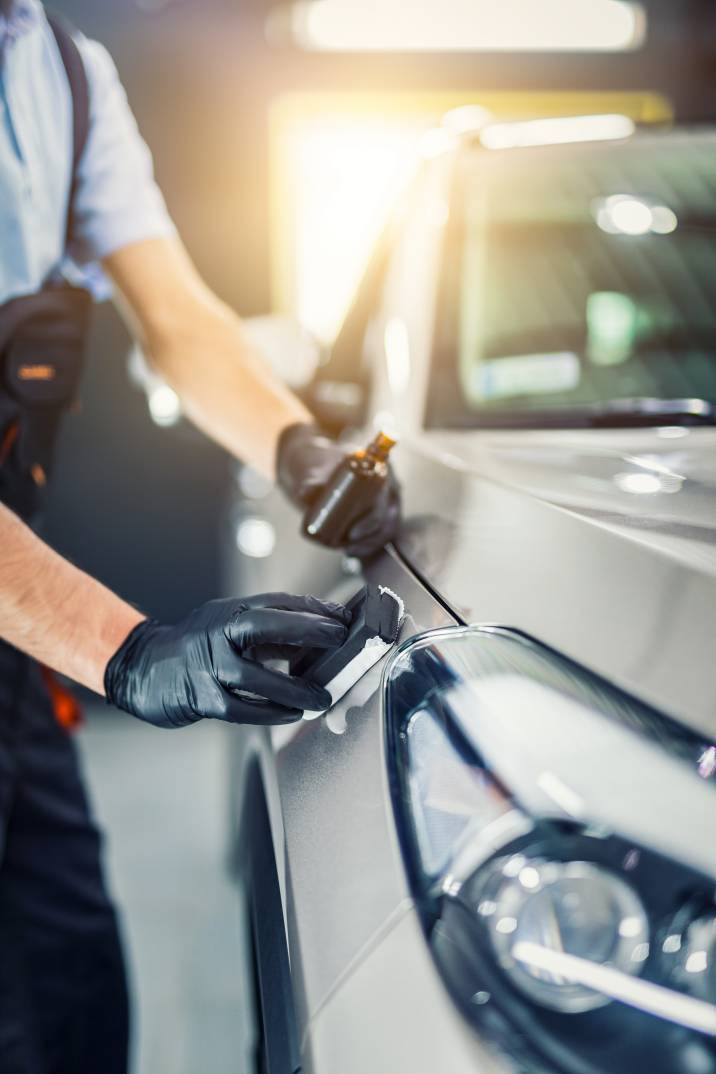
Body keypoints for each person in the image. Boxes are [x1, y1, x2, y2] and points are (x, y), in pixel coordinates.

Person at [0, 3, 400, 1072]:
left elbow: (176, 318)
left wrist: (297, 451)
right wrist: (130, 651)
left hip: (10, 641)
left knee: (69, 991)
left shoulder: (66, 73)